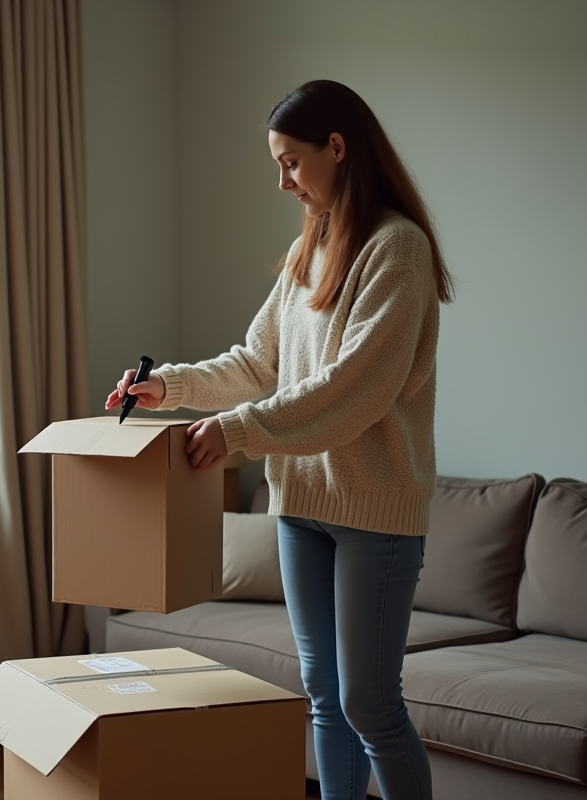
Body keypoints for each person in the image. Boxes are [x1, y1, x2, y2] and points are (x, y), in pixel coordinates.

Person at [105, 80, 453, 800]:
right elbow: (256, 362)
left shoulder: (398, 249)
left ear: (337, 146)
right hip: (300, 506)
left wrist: (240, 431)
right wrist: (165, 388)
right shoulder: (313, 248)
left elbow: (356, 388)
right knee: (324, 695)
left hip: (374, 514)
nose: (283, 181)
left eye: (292, 162)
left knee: (369, 704)